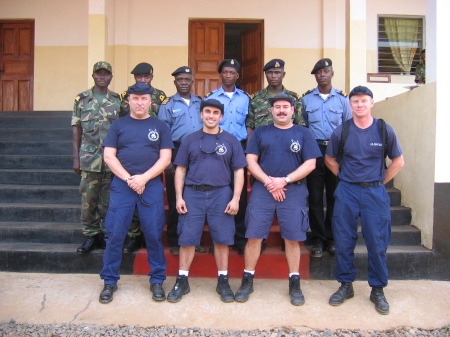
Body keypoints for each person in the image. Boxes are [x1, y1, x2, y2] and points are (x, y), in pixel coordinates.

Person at [235, 93, 321, 306]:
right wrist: (269, 182)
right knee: (254, 236)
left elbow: (310, 164)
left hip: (293, 190)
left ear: (293, 110)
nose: (281, 110)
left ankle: (294, 283)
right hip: (263, 190)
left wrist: (285, 180)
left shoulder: (304, 133)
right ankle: (247, 280)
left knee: (292, 238)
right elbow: (250, 160)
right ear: (271, 110)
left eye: (285, 107)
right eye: (277, 107)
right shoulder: (261, 132)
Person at [324, 85, 404, 315]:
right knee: (343, 239)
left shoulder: (383, 129)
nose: (360, 105)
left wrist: (379, 181)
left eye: (364, 101)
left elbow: (398, 162)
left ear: (371, 103)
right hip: (347, 191)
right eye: (355, 101)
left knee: (377, 242)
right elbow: (330, 160)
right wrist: (345, 178)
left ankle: (377, 289)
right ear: (350, 105)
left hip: (375, 194)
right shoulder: (343, 130)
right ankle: (345, 285)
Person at [98, 82, 173, 304]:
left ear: (151, 101)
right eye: (135, 98)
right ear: (128, 100)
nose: (140, 102)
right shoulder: (118, 125)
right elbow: (109, 156)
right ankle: (109, 281)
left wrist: (143, 178)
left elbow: (165, 159)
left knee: (153, 235)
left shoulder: (160, 126)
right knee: (115, 235)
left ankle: (157, 280)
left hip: (149, 186)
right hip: (123, 186)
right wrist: (130, 179)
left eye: (144, 98)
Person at [166, 99, 247, 303]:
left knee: (222, 238)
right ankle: (182, 281)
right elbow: (180, 170)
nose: (211, 115)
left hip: (221, 193)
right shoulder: (189, 140)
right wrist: (179, 197)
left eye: (215, 113)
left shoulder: (231, 140)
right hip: (193, 194)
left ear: (221, 117)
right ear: (201, 115)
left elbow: (239, 171)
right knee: (187, 238)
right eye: (207, 112)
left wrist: (236, 198)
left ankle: (223, 281)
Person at [301, 58, 352, 258]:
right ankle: (318, 239)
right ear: (315, 76)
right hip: (314, 151)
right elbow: (303, 126)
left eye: (326, 71)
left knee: (334, 197)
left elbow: (348, 127)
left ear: (332, 73)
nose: (322, 75)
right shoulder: (306, 100)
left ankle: (332, 239)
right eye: (319, 72)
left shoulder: (342, 99)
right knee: (314, 198)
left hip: (335, 153)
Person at [71, 61, 121, 254]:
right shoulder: (82, 100)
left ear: (111, 77)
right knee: (89, 200)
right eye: (98, 74)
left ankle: (107, 235)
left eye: (106, 74)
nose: (102, 77)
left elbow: (122, 130)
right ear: (93, 76)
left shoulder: (117, 101)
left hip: (112, 161)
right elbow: (76, 128)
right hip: (89, 159)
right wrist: (76, 158)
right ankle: (91, 236)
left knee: (109, 201)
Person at [119, 62, 167, 253]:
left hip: (153, 153)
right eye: (139, 77)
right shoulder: (126, 96)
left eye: (146, 77)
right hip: (130, 152)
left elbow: (164, 123)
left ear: (152, 78)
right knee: (131, 197)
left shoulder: (161, 96)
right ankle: (133, 236)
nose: (142, 80)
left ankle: (149, 236)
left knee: (150, 201)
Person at [205, 59, 250, 254]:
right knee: (218, 192)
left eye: (232, 72)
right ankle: (218, 238)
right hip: (217, 147)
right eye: (225, 72)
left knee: (239, 194)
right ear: (220, 75)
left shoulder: (246, 98)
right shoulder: (212, 97)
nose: (228, 75)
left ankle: (239, 238)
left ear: (237, 75)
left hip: (239, 146)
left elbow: (249, 123)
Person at [158, 66, 204, 255]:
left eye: (187, 79)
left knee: (197, 199)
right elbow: (163, 134)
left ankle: (194, 239)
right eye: (180, 79)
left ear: (192, 81)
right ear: (175, 82)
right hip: (177, 152)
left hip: (200, 153)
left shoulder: (201, 102)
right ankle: (176, 241)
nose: (183, 82)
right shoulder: (167, 105)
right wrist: (167, 159)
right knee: (177, 197)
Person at [246, 59, 305, 141]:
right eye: (270, 73)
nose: (273, 76)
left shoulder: (294, 99)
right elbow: (250, 128)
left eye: (277, 73)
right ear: (265, 75)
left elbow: (300, 128)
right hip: (262, 146)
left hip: (288, 144)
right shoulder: (256, 99)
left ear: (283, 74)